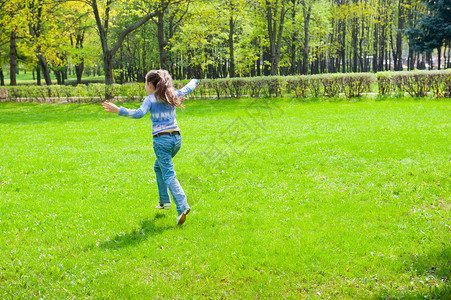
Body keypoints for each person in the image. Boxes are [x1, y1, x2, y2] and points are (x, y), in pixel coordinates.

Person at [102, 70, 198, 225]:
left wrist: (118, 110)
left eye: (145, 84)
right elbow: (189, 88)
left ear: (150, 85)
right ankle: (164, 201)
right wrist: (196, 79)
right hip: (176, 139)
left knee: (168, 173)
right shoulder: (172, 94)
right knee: (158, 167)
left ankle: (182, 206)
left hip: (162, 141)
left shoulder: (151, 99)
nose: (145, 87)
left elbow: (139, 113)